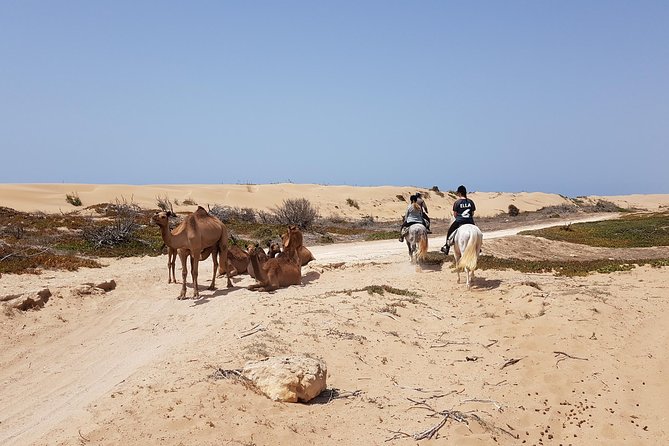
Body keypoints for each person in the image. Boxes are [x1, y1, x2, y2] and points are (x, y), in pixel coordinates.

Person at [440, 185, 476, 254]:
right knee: (477, 232)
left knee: (450, 231)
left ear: (459, 193)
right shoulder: (471, 202)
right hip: (470, 221)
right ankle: (479, 247)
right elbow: (472, 213)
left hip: (460, 221)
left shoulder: (457, 202)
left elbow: (455, 215)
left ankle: (447, 247)